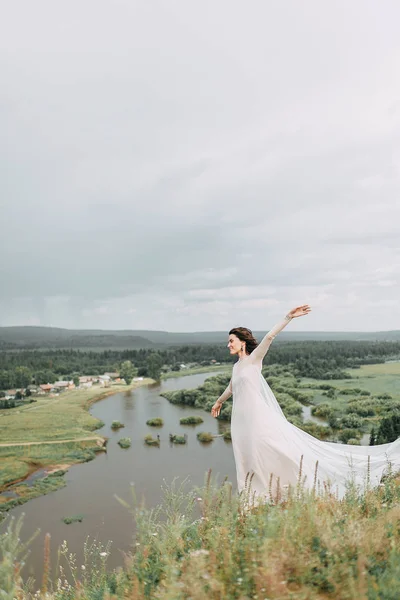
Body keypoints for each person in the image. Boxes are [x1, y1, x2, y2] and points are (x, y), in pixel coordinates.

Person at [211, 305, 400, 501]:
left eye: (231, 341)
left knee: (278, 451)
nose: (228, 345)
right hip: (241, 422)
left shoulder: (254, 360)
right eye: (228, 342)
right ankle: (256, 495)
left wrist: (288, 317)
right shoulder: (237, 367)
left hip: (258, 418)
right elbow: (232, 388)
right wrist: (218, 402)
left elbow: (269, 338)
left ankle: (287, 488)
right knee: (247, 456)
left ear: (242, 343)